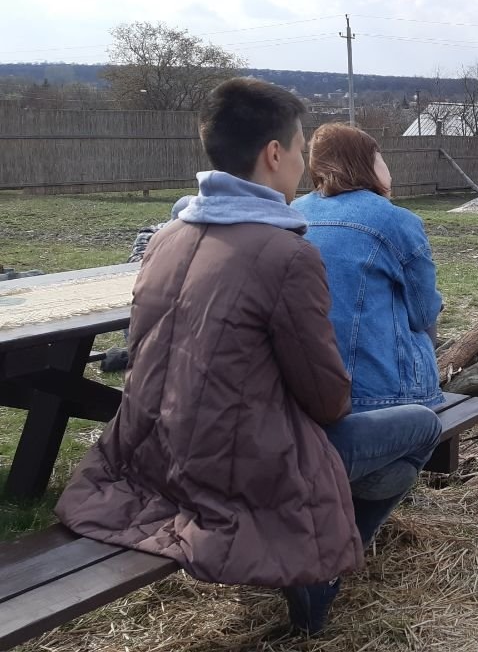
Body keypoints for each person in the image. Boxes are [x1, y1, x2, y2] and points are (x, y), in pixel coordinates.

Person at [55, 77, 362, 636]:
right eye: (300, 150)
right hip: (235, 469)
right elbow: (326, 399)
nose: (303, 165)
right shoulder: (287, 253)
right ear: (275, 154)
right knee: (416, 428)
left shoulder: (167, 237)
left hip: (147, 457)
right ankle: (319, 581)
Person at [291, 123, 445, 548]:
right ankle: (346, 544)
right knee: (417, 439)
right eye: (381, 157)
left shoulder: (292, 214)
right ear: (367, 163)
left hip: (299, 394)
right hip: (372, 398)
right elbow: (423, 311)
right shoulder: (395, 221)